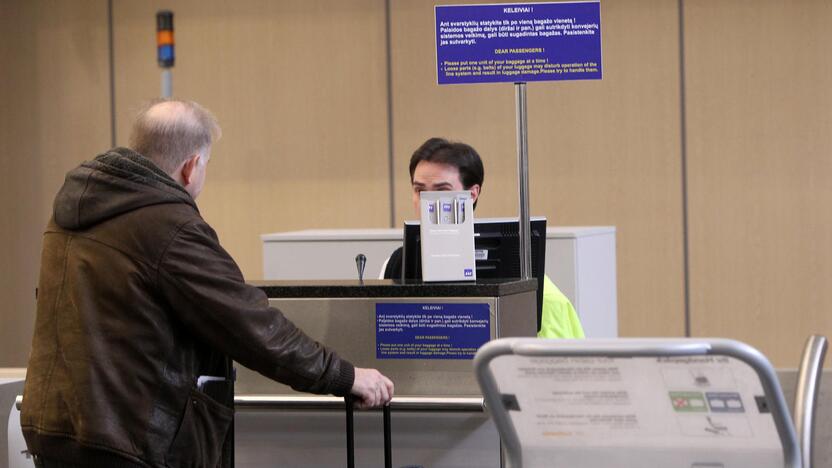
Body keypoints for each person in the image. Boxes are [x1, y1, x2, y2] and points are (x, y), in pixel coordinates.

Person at [20, 99, 394, 468]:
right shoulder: (170, 227)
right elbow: (252, 327)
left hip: (55, 430)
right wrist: (345, 376)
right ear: (191, 166)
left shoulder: (69, 213)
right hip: (131, 443)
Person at [381, 137, 585, 339]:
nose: (428, 202)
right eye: (419, 190)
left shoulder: (522, 271)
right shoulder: (395, 265)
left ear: (472, 194)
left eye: (442, 190)